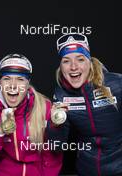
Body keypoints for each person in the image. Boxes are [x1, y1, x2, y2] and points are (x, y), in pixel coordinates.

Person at [0, 54, 63, 176]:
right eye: (7, 78)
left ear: (28, 83)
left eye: (20, 79)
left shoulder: (44, 106)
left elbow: (52, 157)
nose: (13, 85)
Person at [46, 33, 122, 176]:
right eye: (66, 61)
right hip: (86, 170)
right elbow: (56, 147)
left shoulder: (117, 84)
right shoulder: (61, 94)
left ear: (89, 62)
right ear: (61, 66)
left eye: (80, 59)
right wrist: (55, 124)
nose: (73, 67)